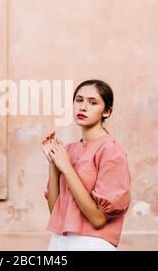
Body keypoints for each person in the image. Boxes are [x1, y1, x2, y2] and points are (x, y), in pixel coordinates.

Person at [42, 79, 131, 250]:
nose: (83, 107)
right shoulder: (68, 150)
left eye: (93, 102)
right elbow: (56, 212)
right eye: (79, 100)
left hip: (92, 243)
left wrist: (66, 168)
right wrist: (53, 164)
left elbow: (98, 219)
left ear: (106, 111)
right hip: (59, 241)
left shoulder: (111, 150)